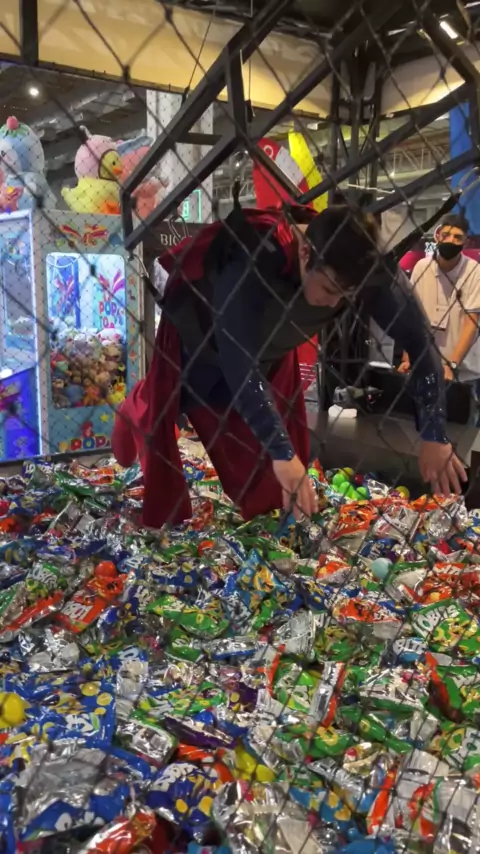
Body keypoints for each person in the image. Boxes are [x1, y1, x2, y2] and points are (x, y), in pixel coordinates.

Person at [113, 204, 466, 528]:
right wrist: (280, 451)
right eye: (328, 288)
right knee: (163, 417)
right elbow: (237, 360)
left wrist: (433, 432)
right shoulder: (254, 256)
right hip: (199, 341)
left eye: (346, 296)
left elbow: (421, 343)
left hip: (272, 350)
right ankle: (137, 406)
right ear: (305, 252)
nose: (333, 303)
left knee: (272, 484)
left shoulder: (368, 268)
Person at [398, 213, 480, 386]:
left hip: (463, 372)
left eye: (457, 237)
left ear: (465, 242)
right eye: (446, 235)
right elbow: (412, 316)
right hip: (426, 364)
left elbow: (471, 323)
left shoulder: (474, 271)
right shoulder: (422, 267)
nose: (450, 240)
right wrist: (407, 357)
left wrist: (451, 365)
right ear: (437, 236)